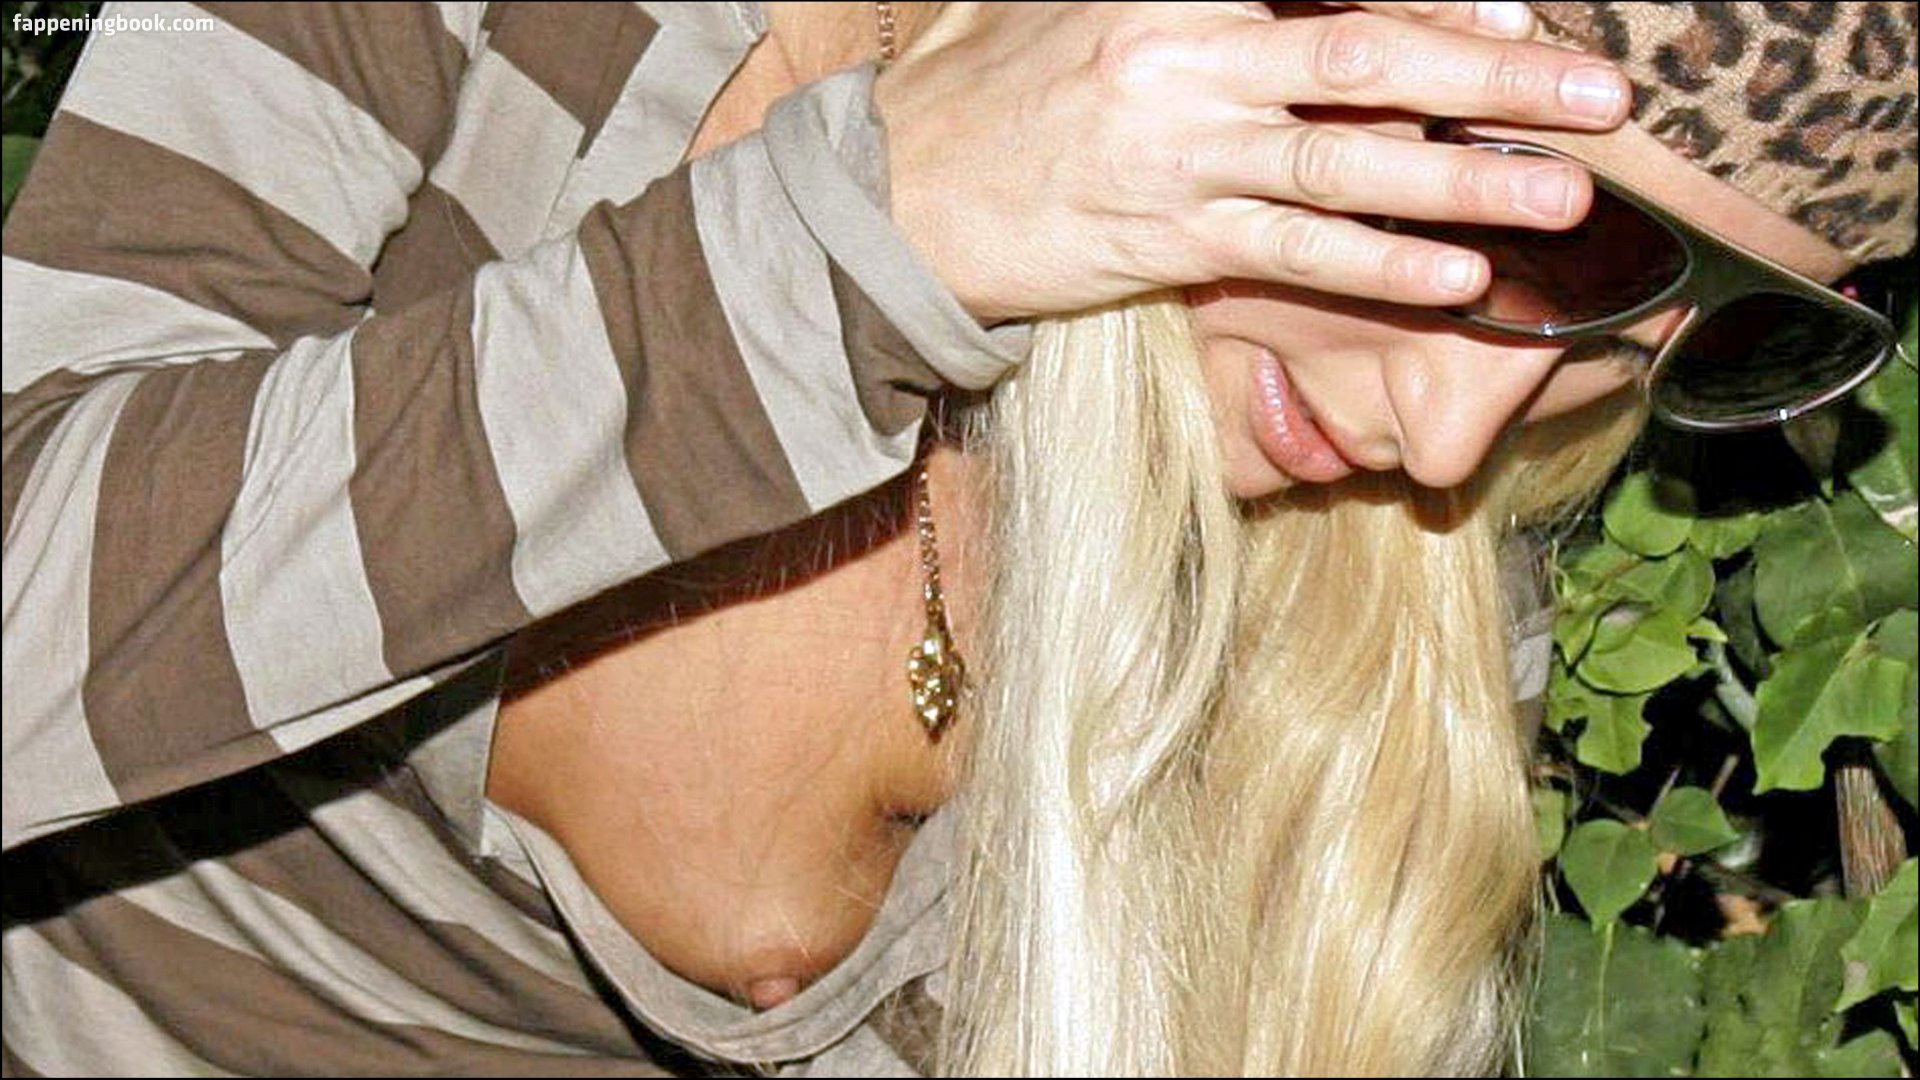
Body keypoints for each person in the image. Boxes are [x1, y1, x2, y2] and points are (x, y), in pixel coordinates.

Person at [0, 1, 1910, 1076]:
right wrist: (852, 245)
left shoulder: (1389, 601)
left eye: (1664, 336)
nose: (1448, 439)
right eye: (1516, 233)